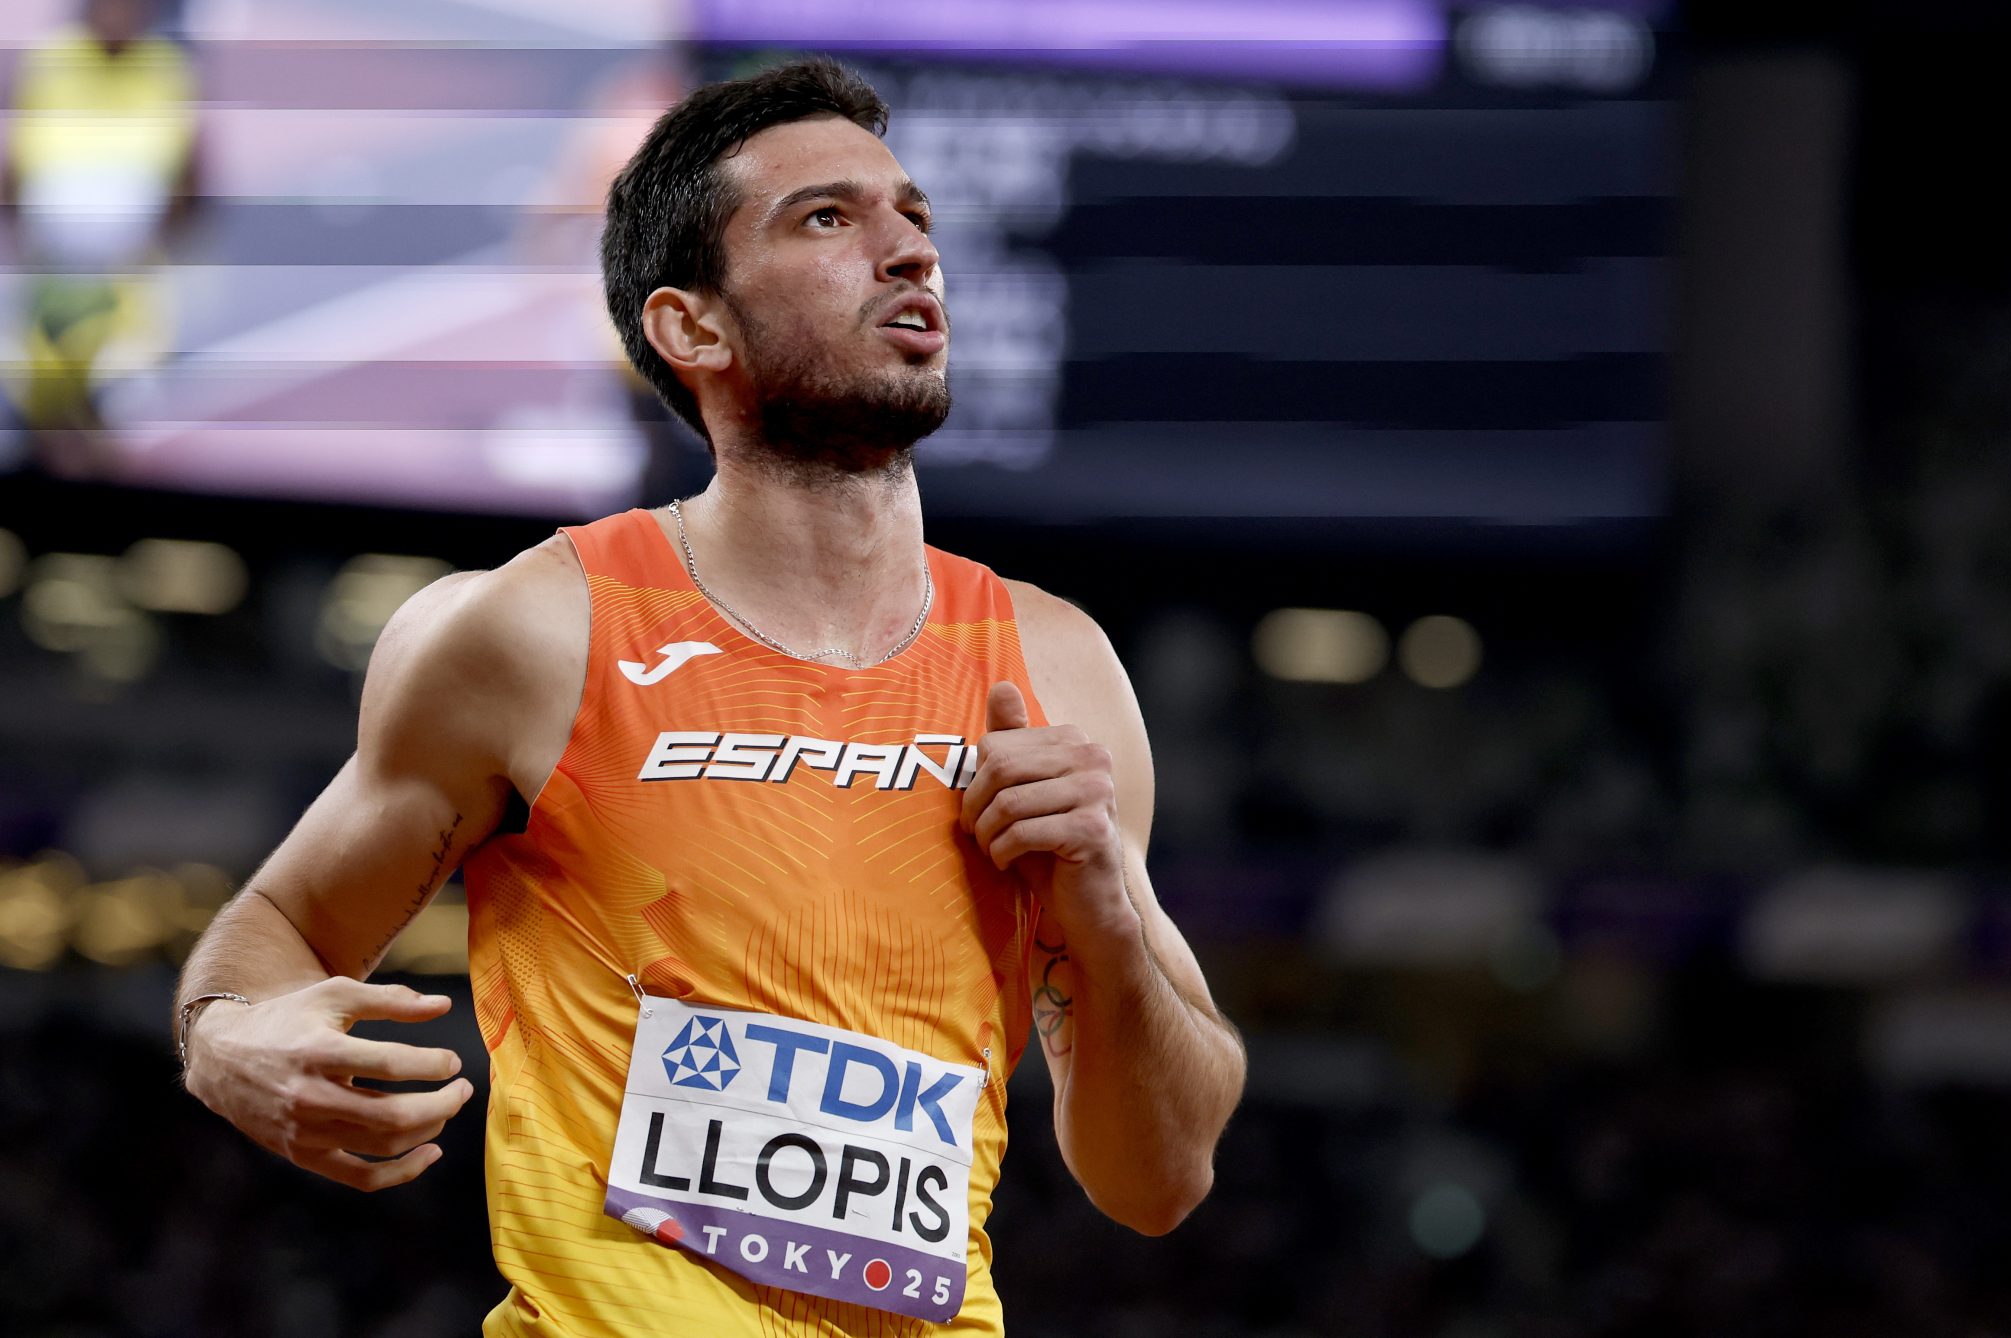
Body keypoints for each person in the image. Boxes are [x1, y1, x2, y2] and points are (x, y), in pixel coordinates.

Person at [175, 57, 1246, 1336]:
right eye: (828, 218)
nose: (909, 250)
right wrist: (224, 1038)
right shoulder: (535, 632)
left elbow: (1157, 1183)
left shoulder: (1052, 666)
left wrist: (1104, 916)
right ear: (693, 330)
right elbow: (276, 928)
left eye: (912, 217)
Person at [1, 0, 200, 452]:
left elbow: (190, 168)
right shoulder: (52, 57)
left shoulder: (167, 67)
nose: (116, 15)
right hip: (52, 261)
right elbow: (15, 154)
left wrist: (168, 245)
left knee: (113, 400)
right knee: (41, 389)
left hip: (126, 273)